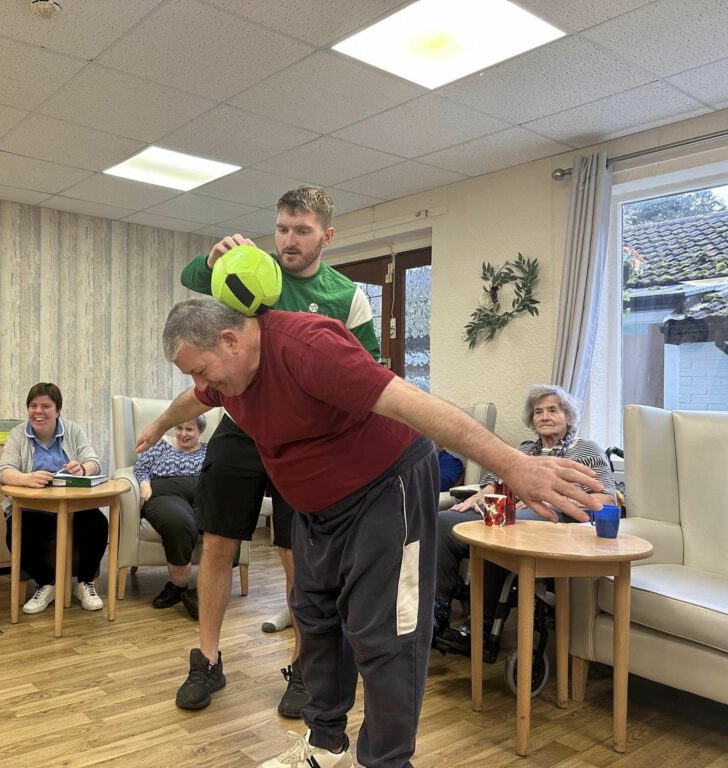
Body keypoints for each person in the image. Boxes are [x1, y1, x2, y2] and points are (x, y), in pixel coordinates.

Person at [137, 298, 601, 768]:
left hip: (386, 486)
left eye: (200, 371)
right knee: (315, 619)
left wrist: (514, 465)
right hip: (318, 507)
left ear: (230, 340)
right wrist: (158, 426)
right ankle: (325, 744)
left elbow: (414, 404)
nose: (201, 385)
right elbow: (193, 399)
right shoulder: (226, 379)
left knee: (387, 634)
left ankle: (387, 762)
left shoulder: (308, 349)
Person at [175, 185, 380, 717]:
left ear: (326, 236)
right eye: (282, 229)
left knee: (299, 555)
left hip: (305, 440)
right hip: (242, 425)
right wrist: (213, 258)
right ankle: (207, 659)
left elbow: (367, 372)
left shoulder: (348, 297)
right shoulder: (253, 270)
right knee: (217, 543)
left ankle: (304, 667)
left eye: (302, 231)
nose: (289, 241)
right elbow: (192, 278)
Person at [433, 384, 617, 657]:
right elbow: (492, 484)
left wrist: (552, 500)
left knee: (503, 527)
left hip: (553, 521)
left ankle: (482, 629)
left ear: (568, 417)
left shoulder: (586, 449)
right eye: (538, 412)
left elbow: (608, 499)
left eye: (553, 410)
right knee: (444, 521)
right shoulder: (524, 450)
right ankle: (435, 615)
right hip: (509, 512)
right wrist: (480, 497)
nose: (544, 416)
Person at [0, 382, 107, 613]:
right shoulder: (18, 434)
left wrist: (82, 469)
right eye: (33, 406)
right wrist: (25, 478)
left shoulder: (73, 430)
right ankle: (46, 583)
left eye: (46, 406)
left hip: (72, 508)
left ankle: (85, 583)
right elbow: (3, 471)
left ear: (58, 410)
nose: (38, 411)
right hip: (33, 510)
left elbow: (94, 462)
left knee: (98, 523)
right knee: (16, 531)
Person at [133, 415, 207, 615]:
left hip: (203, 496)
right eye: (179, 428)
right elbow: (140, 467)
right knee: (178, 522)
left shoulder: (209, 451)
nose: (183, 434)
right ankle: (178, 586)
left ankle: (207, 589)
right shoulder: (161, 446)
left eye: (189, 430)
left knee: (224, 519)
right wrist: (144, 484)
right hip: (166, 495)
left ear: (200, 431)